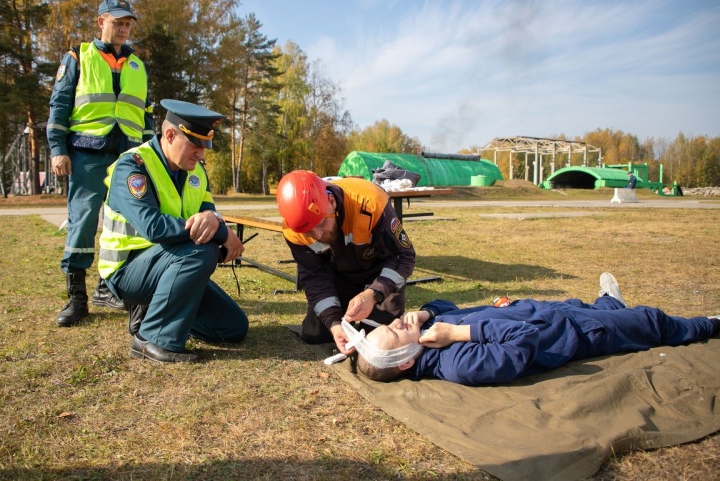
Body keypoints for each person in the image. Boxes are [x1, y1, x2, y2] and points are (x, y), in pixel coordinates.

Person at [355, 272, 720, 384]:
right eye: (396, 331)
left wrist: (424, 314)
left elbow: (452, 309)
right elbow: (523, 342)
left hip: (547, 310)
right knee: (650, 322)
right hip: (573, 332)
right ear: (405, 362)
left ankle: (610, 302)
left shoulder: (425, 333)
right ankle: (709, 325)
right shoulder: (457, 363)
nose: (396, 321)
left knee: (590, 305)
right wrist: (458, 333)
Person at [97, 99, 248, 363]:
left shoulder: (196, 173)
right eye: (196, 145)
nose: (202, 154)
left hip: (171, 263)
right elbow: (153, 226)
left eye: (205, 146)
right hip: (127, 269)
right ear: (170, 135)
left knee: (233, 328)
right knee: (202, 251)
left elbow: (209, 214)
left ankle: (154, 312)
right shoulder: (133, 166)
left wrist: (215, 221)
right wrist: (223, 234)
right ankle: (151, 339)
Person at [47, 0, 155, 327]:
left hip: (128, 157)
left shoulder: (138, 65)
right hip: (87, 154)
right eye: (117, 22)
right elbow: (59, 104)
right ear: (101, 22)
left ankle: (108, 287)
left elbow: (147, 116)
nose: (123, 29)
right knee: (82, 222)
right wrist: (57, 149)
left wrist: (153, 158)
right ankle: (76, 299)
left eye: (127, 24)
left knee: (125, 225)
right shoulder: (78, 57)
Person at [276, 170, 416, 356]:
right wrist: (334, 324)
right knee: (315, 335)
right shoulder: (293, 231)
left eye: (320, 224)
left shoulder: (370, 201)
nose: (318, 236)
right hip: (339, 276)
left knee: (378, 340)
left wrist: (373, 294)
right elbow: (314, 278)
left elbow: (402, 256)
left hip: (380, 275)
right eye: (308, 232)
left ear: (332, 202)